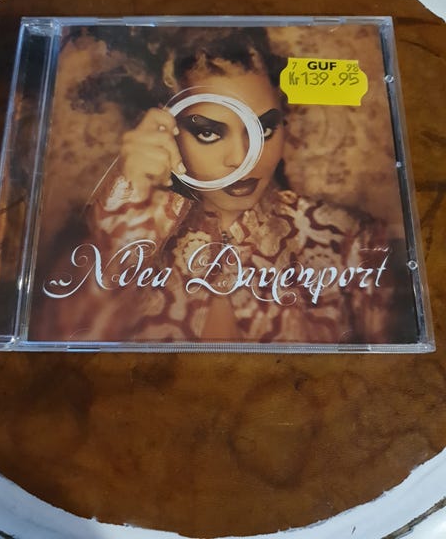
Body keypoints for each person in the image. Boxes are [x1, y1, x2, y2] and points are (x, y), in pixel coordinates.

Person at [37, 27, 402, 345]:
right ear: (167, 129)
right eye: (209, 132)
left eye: (264, 129)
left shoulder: (349, 239)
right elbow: (59, 355)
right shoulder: (119, 230)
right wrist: (126, 215)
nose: (242, 159)